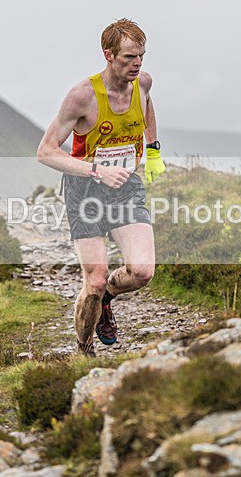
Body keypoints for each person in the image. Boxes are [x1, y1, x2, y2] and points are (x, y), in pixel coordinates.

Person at [37, 18, 166, 356]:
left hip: (125, 188)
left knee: (142, 271)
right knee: (93, 281)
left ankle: (108, 297)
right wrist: (97, 170)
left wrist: (152, 151)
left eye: (141, 56)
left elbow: (147, 106)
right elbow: (46, 152)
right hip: (86, 192)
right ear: (108, 55)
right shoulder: (82, 97)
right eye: (128, 58)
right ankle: (84, 349)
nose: (137, 64)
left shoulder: (143, 83)